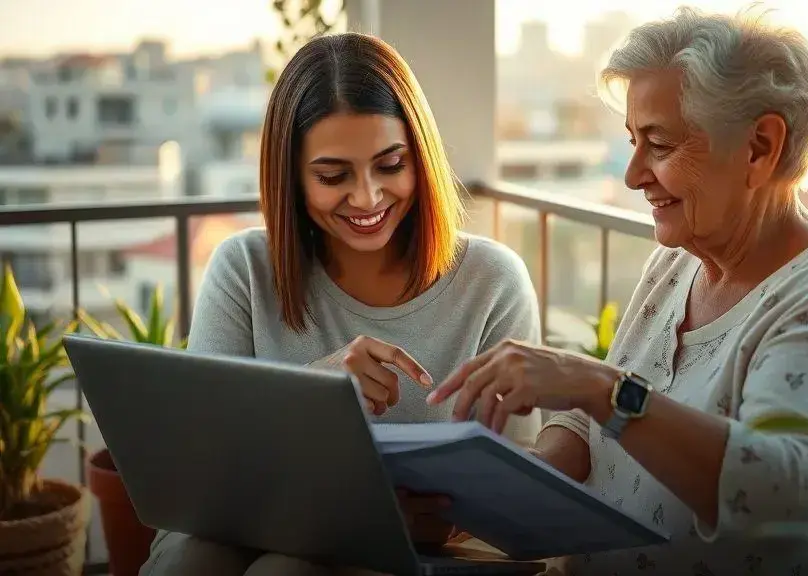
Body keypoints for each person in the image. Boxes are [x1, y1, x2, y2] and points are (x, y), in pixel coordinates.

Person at [428, 5, 808, 575]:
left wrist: (600, 386)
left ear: (760, 147)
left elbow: (792, 499)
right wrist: (492, 496)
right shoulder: (676, 264)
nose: (633, 174)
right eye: (633, 141)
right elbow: (597, 424)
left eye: (659, 145)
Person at [141, 33, 542, 576]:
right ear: (292, 179)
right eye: (333, 177)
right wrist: (319, 389)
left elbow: (521, 493)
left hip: (407, 555)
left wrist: (445, 518)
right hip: (254, 527)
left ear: (420, 159)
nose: (368, 197)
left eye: (391, 165)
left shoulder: (492, 282)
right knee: (191, 557)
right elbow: (200, 467)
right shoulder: (244, 269)